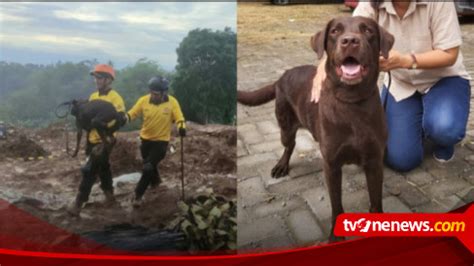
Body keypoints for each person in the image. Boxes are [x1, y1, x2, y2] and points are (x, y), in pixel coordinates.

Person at [311, 1, 471, 172]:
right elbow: (348, 34)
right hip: (402, 85)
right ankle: (419, 127)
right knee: (401, 160)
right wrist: (322, 67)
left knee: (445, 127)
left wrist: (405, 61)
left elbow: (449, 54)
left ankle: (442, 141)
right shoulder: (372, 4)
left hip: (443, 79)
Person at [68, 64, 126, 216]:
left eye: (99, 78)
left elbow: (120, 119)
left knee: (89, 170)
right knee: (103, 167)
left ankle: (78, 203)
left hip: (105, 141)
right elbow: (87, 117)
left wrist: (106, 126)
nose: (96, 80)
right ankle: (110, 196)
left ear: (108, 80)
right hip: (92, 139)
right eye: (95, 78)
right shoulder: (93, 97)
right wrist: (78, 113)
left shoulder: (115, 98)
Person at [124, 75, 186, 208]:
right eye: (151, 92)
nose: (153, 95)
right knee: (149, 164)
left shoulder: (172, 102)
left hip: (161, 143)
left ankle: (138, 196)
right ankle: (156, 183)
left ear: (164, 93)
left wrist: (181, 126)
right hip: (145, 141)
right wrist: (124, 118)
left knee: (147, 168)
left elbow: (179, 117)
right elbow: (132, 113)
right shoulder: (144, 100)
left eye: (156, 94)